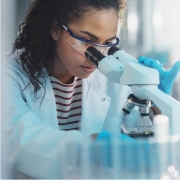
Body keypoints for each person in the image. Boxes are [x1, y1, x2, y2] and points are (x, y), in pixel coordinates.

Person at [2, 0, 180, 179]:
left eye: (108, 43)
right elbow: (18, 140)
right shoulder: (9, 74)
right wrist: (96, 149)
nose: (98, 55)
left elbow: (150, 138)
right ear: (56, 28)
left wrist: (155, 99)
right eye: (87, 41)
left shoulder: (113, 75)